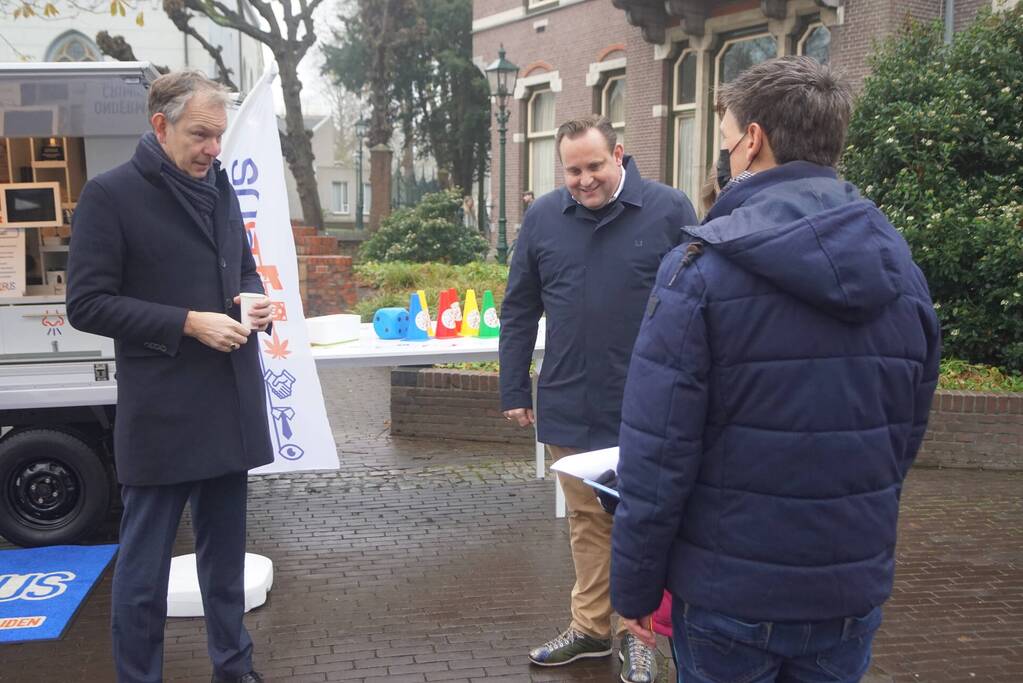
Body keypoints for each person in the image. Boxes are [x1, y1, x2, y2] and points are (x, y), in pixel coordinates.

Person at [609, 56, 941, 682]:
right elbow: (903, 434)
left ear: (753, 140)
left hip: (728, 595)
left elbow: (658, 459)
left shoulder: (697, 272)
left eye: (727, 139)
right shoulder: (902, 272)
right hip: (847, 590)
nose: (725, 155)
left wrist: (633, 591)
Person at [67, 70, 273, 683]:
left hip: (228, 402)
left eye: (220, 134)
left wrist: (250, 299)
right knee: (143, 573)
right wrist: (187, 323)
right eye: (202, 134)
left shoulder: (221, 184)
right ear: (160, 126)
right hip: (161, 414)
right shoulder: (110, 195)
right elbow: (87, 305)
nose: (214, 148)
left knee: (225, 563)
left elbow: (244, 268)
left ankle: (234, 670)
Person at [500, 114, 698, 682]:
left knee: (651, 521)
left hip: (651, 401)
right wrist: (515, 385)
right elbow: (519, 308)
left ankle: (642, 636)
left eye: (594, 166)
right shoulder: (542, 217)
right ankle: (591, 627)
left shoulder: (668, 209)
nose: (584, 180)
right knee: (587, 522)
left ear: (619, 154)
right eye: (572, 170)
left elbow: (698, 299)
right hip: (569, 397)